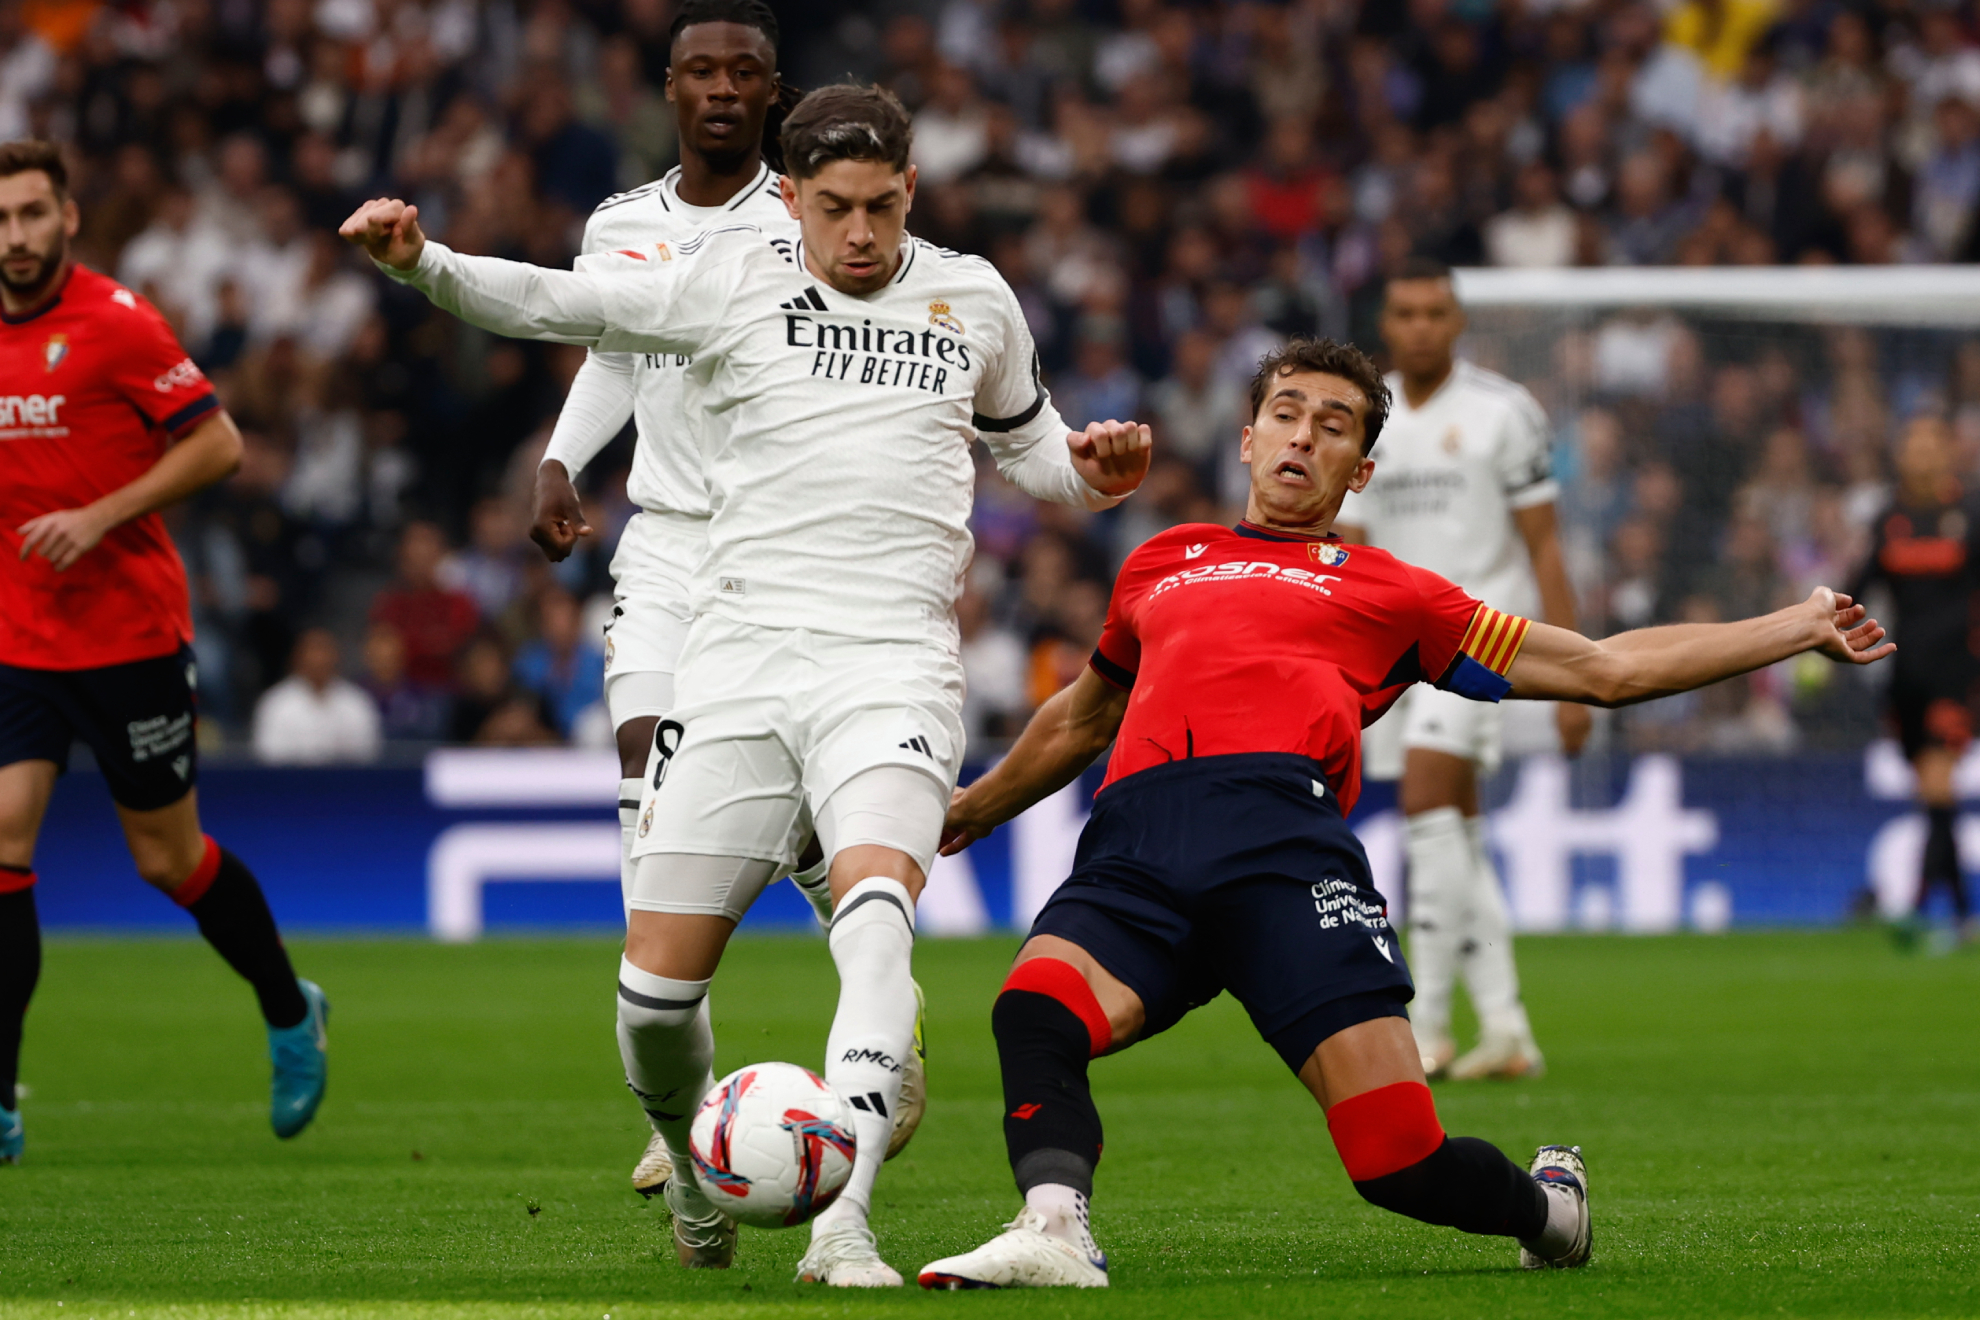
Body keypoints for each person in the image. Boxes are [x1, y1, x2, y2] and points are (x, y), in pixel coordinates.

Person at [340, 84, 1151, 1285]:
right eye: (836, 209)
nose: (862, 234)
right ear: (790, 198)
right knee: (655, 1004)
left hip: (894, 663)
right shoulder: (729, 284)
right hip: (736, 664)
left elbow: (1030, 444)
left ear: (912, 191)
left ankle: (845, 1225)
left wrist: (1091, 471)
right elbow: (563, 303)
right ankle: (693, 1169)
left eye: (882, 205)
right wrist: (425, 266)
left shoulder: (974, 296)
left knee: (876, 924)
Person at [917, 337, 1892, 1289]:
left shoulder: (1396, 594)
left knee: (1395, 1160)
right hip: (1138, 845)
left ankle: (1552, 1212)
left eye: (1332, 426)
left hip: (1284, 857)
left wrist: (1796, 626)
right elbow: (1088, 713)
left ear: (1361, 469)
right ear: (1248, 439)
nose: (1304, 437)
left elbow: (1603, 670)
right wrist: (976, 807)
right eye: (1286, 416)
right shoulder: (1160, 563)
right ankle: (1052, 1229)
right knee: (1034, 1009)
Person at [521, 0, 909, 1220]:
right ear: (671, 88)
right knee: (643, 764)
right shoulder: (622, 224)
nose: (725, 90)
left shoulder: (809, 217)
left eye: (748, 72)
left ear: (777, 91)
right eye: (703, 72)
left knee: (776, 809)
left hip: (783, 550)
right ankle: (676, 1112)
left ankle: (859, 988)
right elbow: (613, 349)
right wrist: (560, 462)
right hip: (670, 544)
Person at [0, 140, 329, 1164]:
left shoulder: (114, 323)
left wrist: (100, 514)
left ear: (69, 218)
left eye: (32, 216)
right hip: (20, 641)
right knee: (4, 840)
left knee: (166, 860)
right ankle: (1, 1092)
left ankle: (289, 1006)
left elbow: (220, 444)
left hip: (129, 635)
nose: (15, 239)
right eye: (1, 221)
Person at [1334, 257, 1591, 1081]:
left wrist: (1574, 669)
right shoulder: (1361, 415)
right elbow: (1360, 547)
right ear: (1387, 322)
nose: (1419, 327)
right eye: (1404, 313)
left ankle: (1432, 1027)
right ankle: (1509, 1030)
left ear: (1458, 322)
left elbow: (1545, 543)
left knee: (1424, 802)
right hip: (1394, 650)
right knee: (1456, 833)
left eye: (1433, 313)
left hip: (1484, 640)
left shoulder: (1503, 413)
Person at [1851, 416, 1980, 937]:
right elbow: (1860, 584)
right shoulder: (1891, 518)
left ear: (1949, 452)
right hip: (1904, 675)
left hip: (1958, 673)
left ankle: (1930, 906)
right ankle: (1955, 910)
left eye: (1932, 444)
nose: (1922, 454)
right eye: (1913, 444)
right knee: (1928, 793)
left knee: (1936, 783)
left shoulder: (1969, 515)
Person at [251, 627, 383, 764]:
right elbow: (269, 757)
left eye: (324, 650)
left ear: (337, 656)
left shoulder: (357, 701)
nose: (319, 659)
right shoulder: (276, 703)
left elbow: (367, 755)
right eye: (313, 650)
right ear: (297, 657)